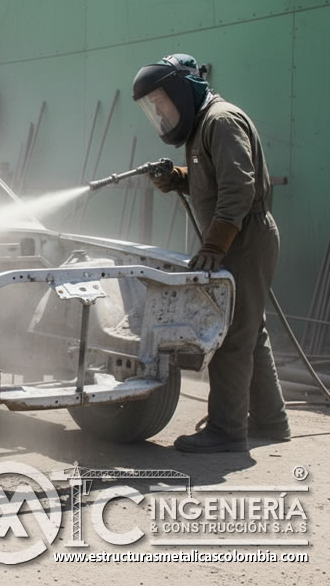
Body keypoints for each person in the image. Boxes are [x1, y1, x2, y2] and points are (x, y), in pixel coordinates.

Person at [131, 53, 290, 453]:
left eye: (162, 102)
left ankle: (226, 429)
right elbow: (215, 179)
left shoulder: (220, 121)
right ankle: (271, 421)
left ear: (184, 92)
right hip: (242, 237)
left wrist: (215, 245)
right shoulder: (204, 126)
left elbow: (238, 188)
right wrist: (178, 179)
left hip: (245, 239)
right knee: (251, 333)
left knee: (231, 335)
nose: (161, 112)